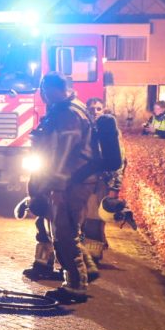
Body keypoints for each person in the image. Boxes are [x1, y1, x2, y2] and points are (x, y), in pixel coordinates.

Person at [32, 73, 98, 303]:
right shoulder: (68, 108)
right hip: (73, 180)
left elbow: (63, 153)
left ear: (54, 89)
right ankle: (83, 271)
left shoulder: (68, 113)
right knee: (68, 231)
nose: (43, 95)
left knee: (65, 232)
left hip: (72, 182)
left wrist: (56, 185)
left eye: (45, 90)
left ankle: (76, 285)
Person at [76, 96, 125, 276]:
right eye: (91, 108)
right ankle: (85, 257)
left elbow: (119, 161)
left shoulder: (109, 131)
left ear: (103, 110)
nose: (94, 112)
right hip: (84, 182)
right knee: (81, 220)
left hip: (101, 183)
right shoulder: (85, 129)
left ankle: (93, 259)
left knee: (94, 221)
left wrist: (115, 187)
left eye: (98, 108)